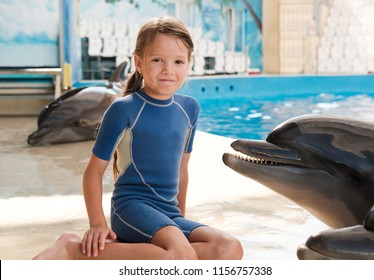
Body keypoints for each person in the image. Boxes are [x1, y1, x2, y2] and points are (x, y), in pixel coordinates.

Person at [33, 16, 243, 260]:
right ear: (139, 62)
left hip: (168, 213)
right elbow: (93, 172)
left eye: (178, 61)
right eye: (157, 60)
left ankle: (140, 252)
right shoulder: (124, 109)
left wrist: (178, 223)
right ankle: (72, 249)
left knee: (229, 247)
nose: (168, 70)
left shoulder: (189, 108)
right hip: (130, 208)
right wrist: (98, 224)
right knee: (180, 255)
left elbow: (181, 171)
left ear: (188, 64)